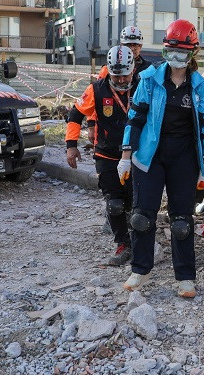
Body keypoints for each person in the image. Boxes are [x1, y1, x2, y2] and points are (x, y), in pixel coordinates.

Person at [118, 19, 204, 299]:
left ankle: (185, 277)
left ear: (192, 54)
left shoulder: (199, 87)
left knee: (182, 220)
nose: (176, 58)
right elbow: (134, 119)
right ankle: (140, 269)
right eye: (171, 51)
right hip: (150, 156)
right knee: (141, 217)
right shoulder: (149, 81)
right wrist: (125, 155)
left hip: (184, 159)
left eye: (182, 53)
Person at [66, 46, 137, 265]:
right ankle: (123, 244)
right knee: (114, 203)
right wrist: (71, 145)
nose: (122, 80)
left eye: (125, 74)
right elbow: (75, 113)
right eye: (116, 75)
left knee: (136, 204)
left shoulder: (144, 87)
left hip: (137, 156)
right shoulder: (97, 89)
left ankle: (141, 241)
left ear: (133, 69)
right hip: (106, 154)